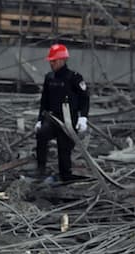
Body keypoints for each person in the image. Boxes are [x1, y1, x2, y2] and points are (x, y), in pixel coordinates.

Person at [34, 43, 90, 182]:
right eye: (50, 61)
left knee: (64, 150)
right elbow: (44, 100)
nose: (51, 64)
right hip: (52, 119)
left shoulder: (74, 78)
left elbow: (85, 99)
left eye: (54, 61)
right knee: (41, 135)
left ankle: (65, 176)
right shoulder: (50, 78)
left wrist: (83, 117)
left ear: (62, 60)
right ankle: (41, 169)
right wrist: (40, 119)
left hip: (68, 121)